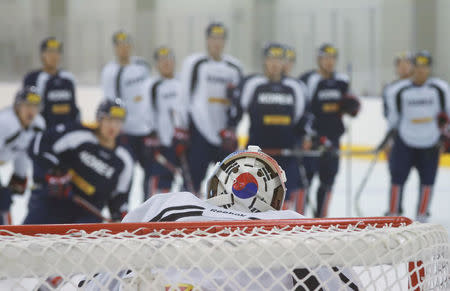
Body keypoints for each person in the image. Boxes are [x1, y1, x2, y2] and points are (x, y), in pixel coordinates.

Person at [83, 146, 361, 290]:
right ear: (274, 195)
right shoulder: (290, 225)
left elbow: (106, 270)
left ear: (218, 182)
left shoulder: (169, 205)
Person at [226, 43, 308, 213]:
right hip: (258, 156)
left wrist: (304, 138)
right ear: (264, 61)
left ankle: (282, 235)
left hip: (287, 154)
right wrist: (231, 132)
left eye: (279, 59)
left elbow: (302, 118)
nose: (275, 64)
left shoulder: (295, 87)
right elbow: (237, 111)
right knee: (254, 198)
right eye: (271, 59)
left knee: (285, 197)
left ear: (284, 62)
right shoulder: (252, 84)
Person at [24, 99, 133, 224]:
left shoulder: (125, 159)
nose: (113, 126)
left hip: (89, 215)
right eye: (108, 119)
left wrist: (119, 217)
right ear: (99, 119)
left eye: (118, 121)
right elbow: (37, 144)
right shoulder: (79, 134)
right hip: (54, 202)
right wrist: (54, 171)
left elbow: (120, 197)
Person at [385, 50, 450, 222]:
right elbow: (393, 120)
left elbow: (447, 115)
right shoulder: (398, 90)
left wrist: (446, 135)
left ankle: (422, 217)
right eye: (418, 66)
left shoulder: (440, 89)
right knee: (397, 179)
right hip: (404, 142)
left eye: (425, 66)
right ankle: (392, 216)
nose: (421, 70)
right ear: (412, 67)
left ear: (429, 68)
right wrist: (389, 141)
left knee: (428, 182)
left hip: (430, 143)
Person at [180, 22, 243, 195]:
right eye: (213, 38)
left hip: (225, 136)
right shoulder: (195, 63)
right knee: (191, 186)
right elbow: (183, 97)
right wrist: (182, 128)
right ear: (207, 40)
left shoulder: (234, 67)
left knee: (227, 187)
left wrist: (232, 128)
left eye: (220, 39)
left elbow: (239, 103)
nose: (217, 42)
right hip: (199, 133)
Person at [299, 43, 360, 217]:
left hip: (333, 140)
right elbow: (303, 108)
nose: (329, 62)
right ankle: (299, 219)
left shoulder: (342, 80)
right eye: (325, 58)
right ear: (318, 59)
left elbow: (351, 102)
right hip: (312, 141)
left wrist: (353, 106)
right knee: (305, 182)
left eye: (332, 58)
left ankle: (321, 219)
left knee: (328, 181)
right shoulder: (309, 79)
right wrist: (308, 135)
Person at [101, 31, 154, 196]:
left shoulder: (142, 66)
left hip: (146, 131)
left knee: (151, 174)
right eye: (119, 45)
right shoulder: (110, 72)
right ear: (115, 48)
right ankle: (123, 213)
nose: (124, 48)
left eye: (126, 44)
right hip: (126, 133)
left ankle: (150, 213)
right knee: (125, 175)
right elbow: (111, 104)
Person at [141, 46, 188, 197]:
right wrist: (152, 138)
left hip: (185, 144)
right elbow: (146, 113)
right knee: (160, 186)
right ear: (157, 65)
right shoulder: (152, 86)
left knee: (187, 184)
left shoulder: (183, 83)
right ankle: (154, 217)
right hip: (164, 146)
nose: (166, 63)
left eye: (169, 59)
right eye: (162, 60)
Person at [0, 87, 45, 225]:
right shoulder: (5, 123)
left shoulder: (38, 124)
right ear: (18, 106)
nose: (31, 110)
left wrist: (20, 175)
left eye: (35, 106)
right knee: (3, 200)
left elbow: (23, 151)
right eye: (27, 105)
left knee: (4, 202)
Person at [23, 37, 79, 129]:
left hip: (66, 131)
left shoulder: (68, 78)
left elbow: (73, 107)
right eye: (50, 51)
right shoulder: (32, 78)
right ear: (42, 55)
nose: (54, 55)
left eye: (57, 52)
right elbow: (28, 108)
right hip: (44, 131)